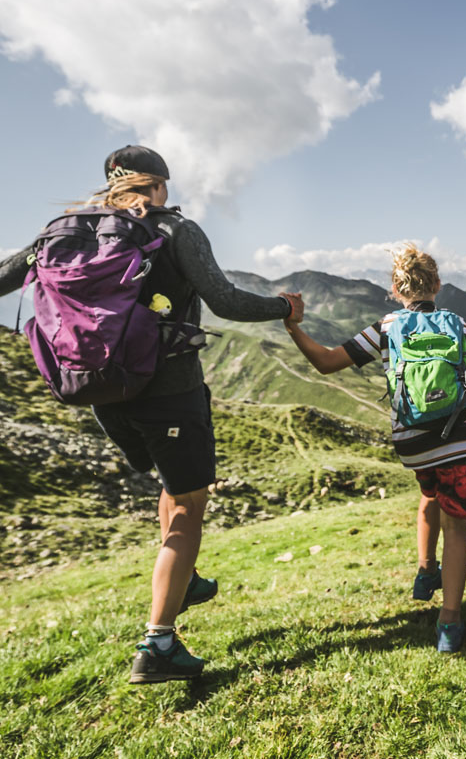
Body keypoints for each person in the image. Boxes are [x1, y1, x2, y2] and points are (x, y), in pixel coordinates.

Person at [0, 145, 303, 682]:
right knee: (190, 503)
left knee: (171, 482)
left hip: (102, 393)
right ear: (159, 184)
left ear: (111, 185)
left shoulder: (65, 232)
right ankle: (157, 645)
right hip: (170, 390)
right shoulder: (174, 229)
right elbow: (226, 301)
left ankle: (183, 583)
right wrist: (283, 307)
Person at [281, 243, 466, 653]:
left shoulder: (387, 326)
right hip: (457, 437)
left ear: (394, 288)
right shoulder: (459, 325)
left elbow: (326, 362)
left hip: (412, 442)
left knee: (430, 493)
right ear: (438, 285)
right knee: (456, 524)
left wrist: (293, 327)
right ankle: (450, 621)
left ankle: (427, 570)